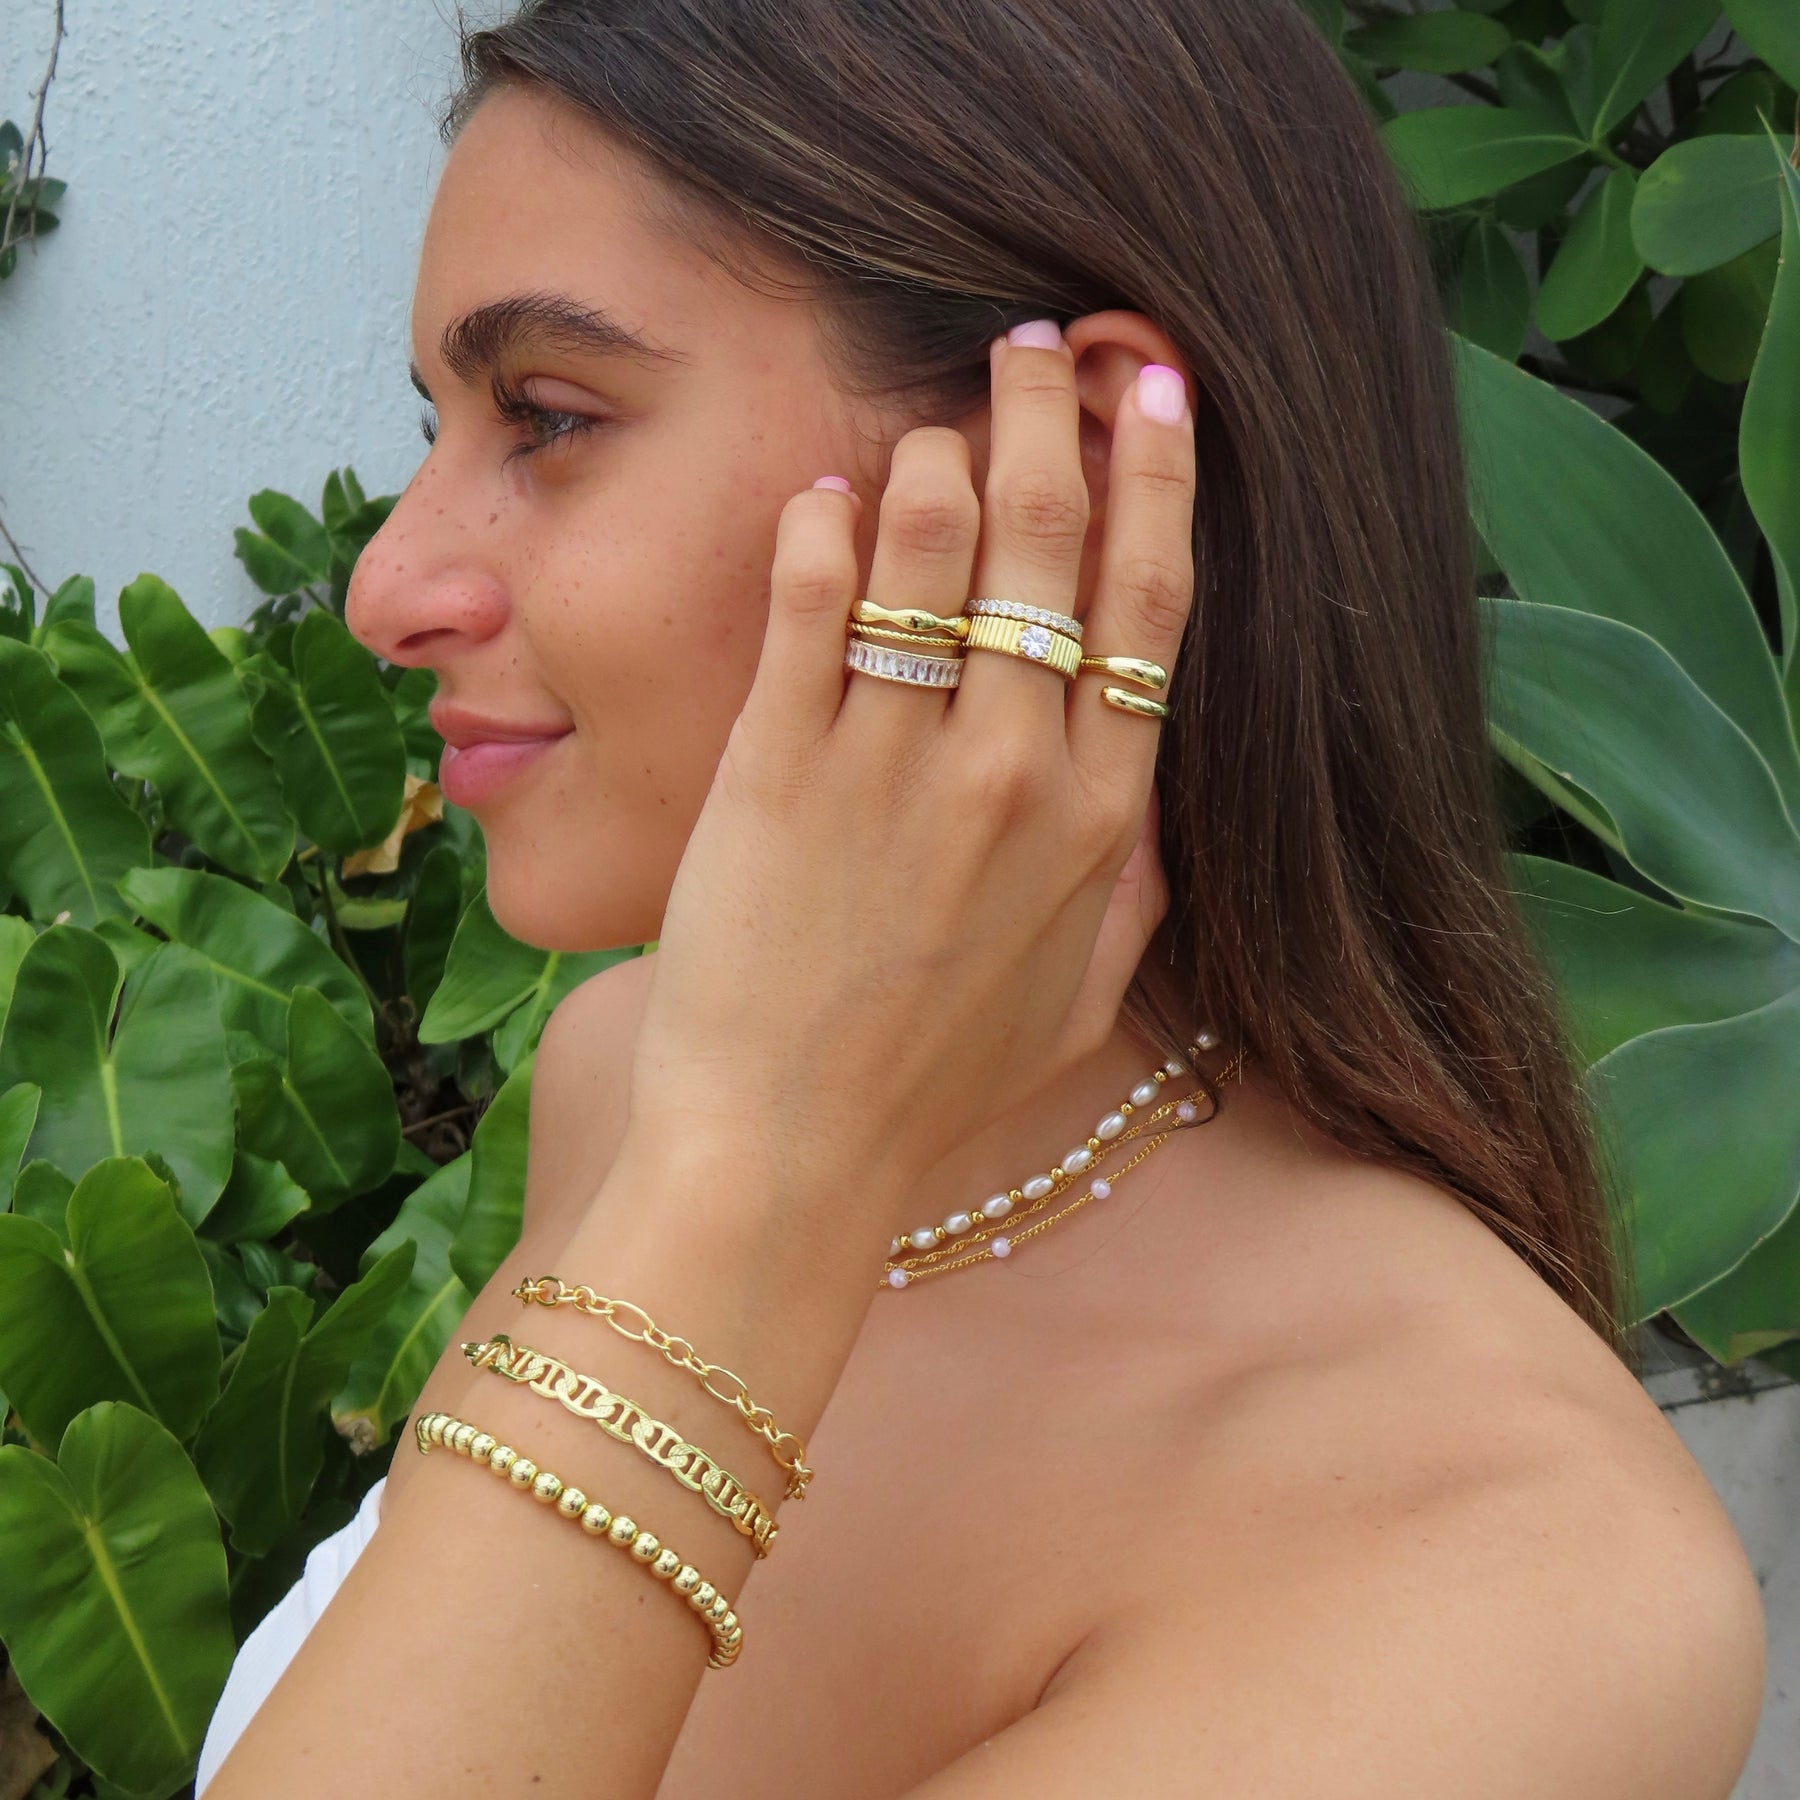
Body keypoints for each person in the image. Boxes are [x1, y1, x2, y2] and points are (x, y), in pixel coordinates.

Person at [195, 1, 1767, 1794]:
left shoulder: (1517, 1593)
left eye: (548, 417)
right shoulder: (642, 1074)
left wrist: (758, 1181)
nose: (385, 586)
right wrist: (755, 1165)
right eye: (439, 424)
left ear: (1070, 462)